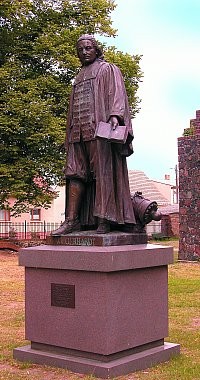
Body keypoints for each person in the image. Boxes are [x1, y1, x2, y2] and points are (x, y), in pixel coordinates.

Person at [52, 34, 136, 235]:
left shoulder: (108, 69)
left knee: (102, 174)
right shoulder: (79, 75)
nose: (84, 52)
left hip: (99, 131)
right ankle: (72, 220)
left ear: (96, 49)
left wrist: (115, 116)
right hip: (77, 132)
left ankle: (104, 219)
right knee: (75, 173)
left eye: (88, 48)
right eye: (80, 50)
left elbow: (118, 95)